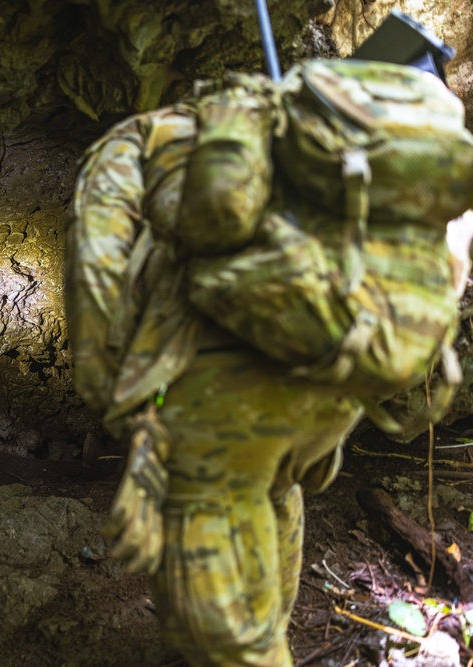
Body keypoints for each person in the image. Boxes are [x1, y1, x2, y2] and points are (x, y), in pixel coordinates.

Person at [65, 49, 473, 667]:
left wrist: (132, 415)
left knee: (230, 636)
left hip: (221, 418)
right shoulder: (383, 182)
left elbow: (97, 290)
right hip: (324, 396)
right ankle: (271, 623)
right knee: (278, 498)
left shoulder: (142, 147)